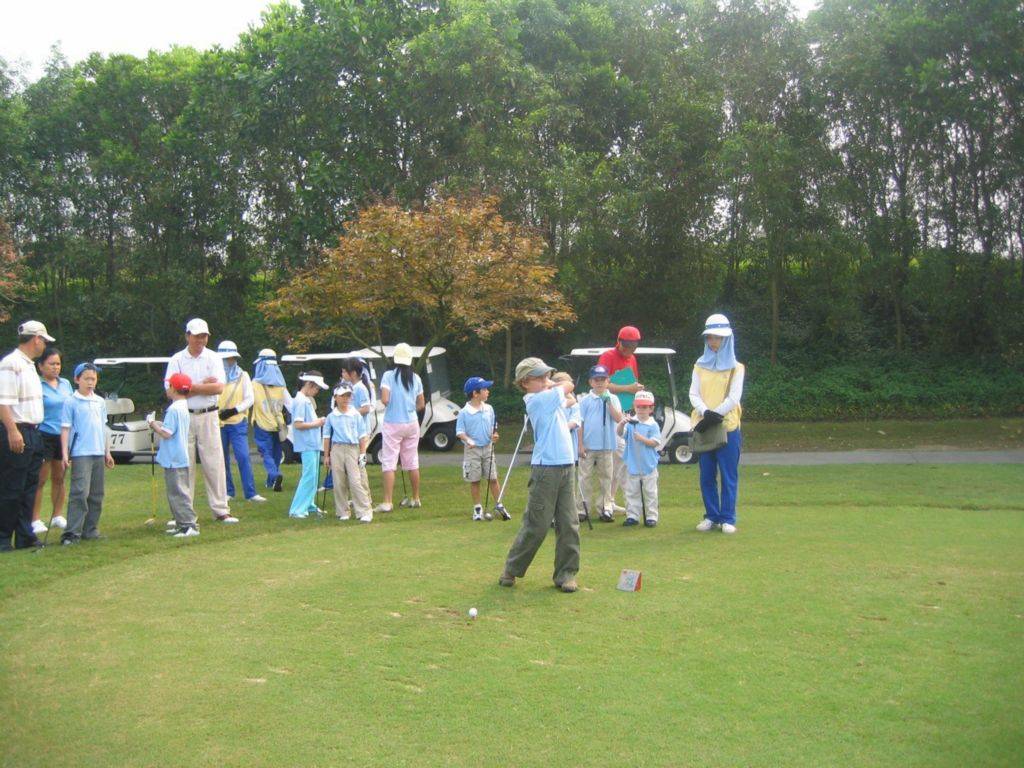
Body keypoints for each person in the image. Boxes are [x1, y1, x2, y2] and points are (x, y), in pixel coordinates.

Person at [499, 357, 580, 593]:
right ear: (525, 383)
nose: (546, 380)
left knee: (569, 523)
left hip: (567, 465)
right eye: (540, 377)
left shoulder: (548, 397)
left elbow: (570, 399)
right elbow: (569, 386)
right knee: (538, 525)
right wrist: (556, 385)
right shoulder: (535, 400)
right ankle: (512, 569)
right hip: (546, 469)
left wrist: (553, 386)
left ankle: (566, 574)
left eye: (547, 376)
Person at [164, 318, 237, 524]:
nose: (201, 340)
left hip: (209, 414)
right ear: (188, 336)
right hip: (184, 415)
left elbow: (218, 388)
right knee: (184, 464)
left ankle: (221, 509)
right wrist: (202, 385)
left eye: (204, 336)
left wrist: (187, 386)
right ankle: (183, 513)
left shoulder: (213, 358)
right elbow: (170, 392)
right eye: (197, 336)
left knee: (214, 462)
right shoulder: (177, 360)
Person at [0, 320, 55, 550]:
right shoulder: (11, 363)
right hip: (17, 430)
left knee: (29, 486)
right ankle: (3, 537)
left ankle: (24, 535)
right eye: (44, 340)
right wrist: (12, 431)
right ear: (36, 339)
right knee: (12, 487)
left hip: (33, 431)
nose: (45, 345)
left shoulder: (29, 365)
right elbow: (3, 401)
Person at [690, 313, 745, 534]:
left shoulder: (736, 367)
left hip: (727, 426)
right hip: (704, 425)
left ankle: (727, 518)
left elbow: (734, 397)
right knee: (706, 474)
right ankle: (711, 516)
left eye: (717, 337)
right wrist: (705, 412)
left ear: (726, 339)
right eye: (710, 337)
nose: (713, 341)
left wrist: (715, 413)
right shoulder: (699, 365)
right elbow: (693, 393)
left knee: (728, 474)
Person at [59, 363, 115, 545]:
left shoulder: (99, 401)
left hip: (98, 451)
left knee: (97, 493)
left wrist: (107, 452)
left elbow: (104, 428)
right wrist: (65, 454)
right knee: (80, 492)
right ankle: (71, 533)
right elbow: (65, 429)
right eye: (86, 379)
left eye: (93, 379)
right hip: (81, 452)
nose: (91, 382)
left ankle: (90, 530)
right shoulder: (71, 401)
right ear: (77, 380)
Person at [597, 325, 644, 513]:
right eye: (626, 347)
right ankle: (608, 502)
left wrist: (636, 392)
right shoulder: (607, 356)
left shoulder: (632, 359)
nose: (629, 351)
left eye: (633, 347)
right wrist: (627, 389)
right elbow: (601, 385)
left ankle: (609, 499)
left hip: (626, 412)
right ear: (619, 342)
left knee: (619, 461)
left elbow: (632, 383)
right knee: (617, 458)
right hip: (609, 412)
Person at [147, 373, 199, 537]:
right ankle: (181, 523)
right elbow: (171, 428)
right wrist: (159, 425)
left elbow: (167, 433)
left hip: (174, 458)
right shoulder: (183, 406)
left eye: (169, 386)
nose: (167, 389)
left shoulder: (174, 409)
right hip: (179, 456)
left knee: (178, 493)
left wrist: (152, 424)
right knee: (178, 492)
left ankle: (188, 525)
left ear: (174, 389)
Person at [376, 343, 424, 512]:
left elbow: (385, 399)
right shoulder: (416, 378)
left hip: (393, 422)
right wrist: (409, 408)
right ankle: (416, 498)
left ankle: (387, 502)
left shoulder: (388, 376)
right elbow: (421, 404)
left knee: (389, 461)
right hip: (411, 422)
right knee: (412, 461)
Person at [216, 340, 265, 504]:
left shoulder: (243, 375)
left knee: (243, 456)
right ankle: (228, 491)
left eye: (231, 358)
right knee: (221, 459)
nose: (229, 361)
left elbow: (249, 398)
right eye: (226, 358)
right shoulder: (214, 376)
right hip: (218, 422)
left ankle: (250, 493)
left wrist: (234, 410)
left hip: (237, 422)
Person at [455, 376, 507, 522]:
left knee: (493, 478)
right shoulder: (464, 412)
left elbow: (493, 427)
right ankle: (478, 509)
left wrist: (494, 435)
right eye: (484, 389)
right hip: (472, 450)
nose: (487, 391)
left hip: (488, 448)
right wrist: (468, 440)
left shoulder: (489, 409)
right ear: (475, 393)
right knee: (475, 479)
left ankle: (499, 505)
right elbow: (459, 432)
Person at [32, 345, 71, 535]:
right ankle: (35, 519)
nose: (55, 367)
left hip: (62, 436)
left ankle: (57, 515)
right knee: (40, 479)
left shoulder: (65, 384)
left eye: (58, 364)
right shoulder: (37, 385)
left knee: (59, 477)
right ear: (40, 366)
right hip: (44, 434)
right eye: (51, 364)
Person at [577, 365, 623, 522]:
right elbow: (580, 423)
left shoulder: (613, 398)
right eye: (596, 380)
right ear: (591, 382)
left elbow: (618, 419)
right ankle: (582, 509)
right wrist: (580, 445)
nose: (600, 383)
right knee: (585, 478)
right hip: (588, 446)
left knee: (606, 478)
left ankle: (605, 508)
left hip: (606, 445)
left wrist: (608, 403)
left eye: (603, 379)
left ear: (608, 381)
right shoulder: (584, 400)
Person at [323, 384, 372, 522]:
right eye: (342, 396)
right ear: (335, 397)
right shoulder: (331, 416)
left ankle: (364, 511)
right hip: (337, 448)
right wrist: (326, 455)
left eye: (348, 396)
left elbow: (362, 436)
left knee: (356, 481)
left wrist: (363, 454)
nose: (346, 399)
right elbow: (326, 437)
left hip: (353, 448)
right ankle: (343, 511)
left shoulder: (355, 414)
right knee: (338, 481)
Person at [617, 390, 662, 527]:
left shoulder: (653, 424)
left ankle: (651, 516)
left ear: (651, 409)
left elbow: (655, 443)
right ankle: (632, 516)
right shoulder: (630, 423)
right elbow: (620, 434)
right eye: (638, 407)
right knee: (632, 491)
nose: (641, 410)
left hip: (648, 464)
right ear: (634, 407)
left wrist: (642, 439)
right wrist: (621, 424)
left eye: (644, 407)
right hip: (632, 463)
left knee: (650, 492)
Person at [288, 371, 328, 519]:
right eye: (316, 388)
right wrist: (317, 423)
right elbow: (298, 424)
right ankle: (297, 509)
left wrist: (317, 422)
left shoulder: (306, 399)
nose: (317, 391)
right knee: (308, 477)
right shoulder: (300, 400)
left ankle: (308, 504)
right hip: (307, 444)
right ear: (309, 385)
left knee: (313, 476)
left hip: (312, 443)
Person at [250, 348, 290, 493]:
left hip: (261, 424)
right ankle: (271, 482)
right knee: (277, 453)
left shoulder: (254, 384)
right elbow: (290, 404)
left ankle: (274, 475)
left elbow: (248, 402)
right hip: (278, 425)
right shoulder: (281, 385)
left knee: (266, 453)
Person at [340, 357, 375, 511]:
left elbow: (366, 408)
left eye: (344, 371)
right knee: (353, 467)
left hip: (361, 434)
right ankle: (359, 497)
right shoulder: (351, 387)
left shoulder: (360, 388)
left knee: (359, 466)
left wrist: (348, 413)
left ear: (353, 373)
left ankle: (365, 498)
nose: (342, 374)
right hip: (353, 434)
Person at [551, 371, 584, 522]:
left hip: (568, 447)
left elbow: (576, 421)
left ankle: (568, 515)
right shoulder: (552, 401)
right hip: (553, 448)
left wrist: (562, 427)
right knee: (553, 484)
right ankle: (553, 515)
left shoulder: (574, 403)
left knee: (568, 485)